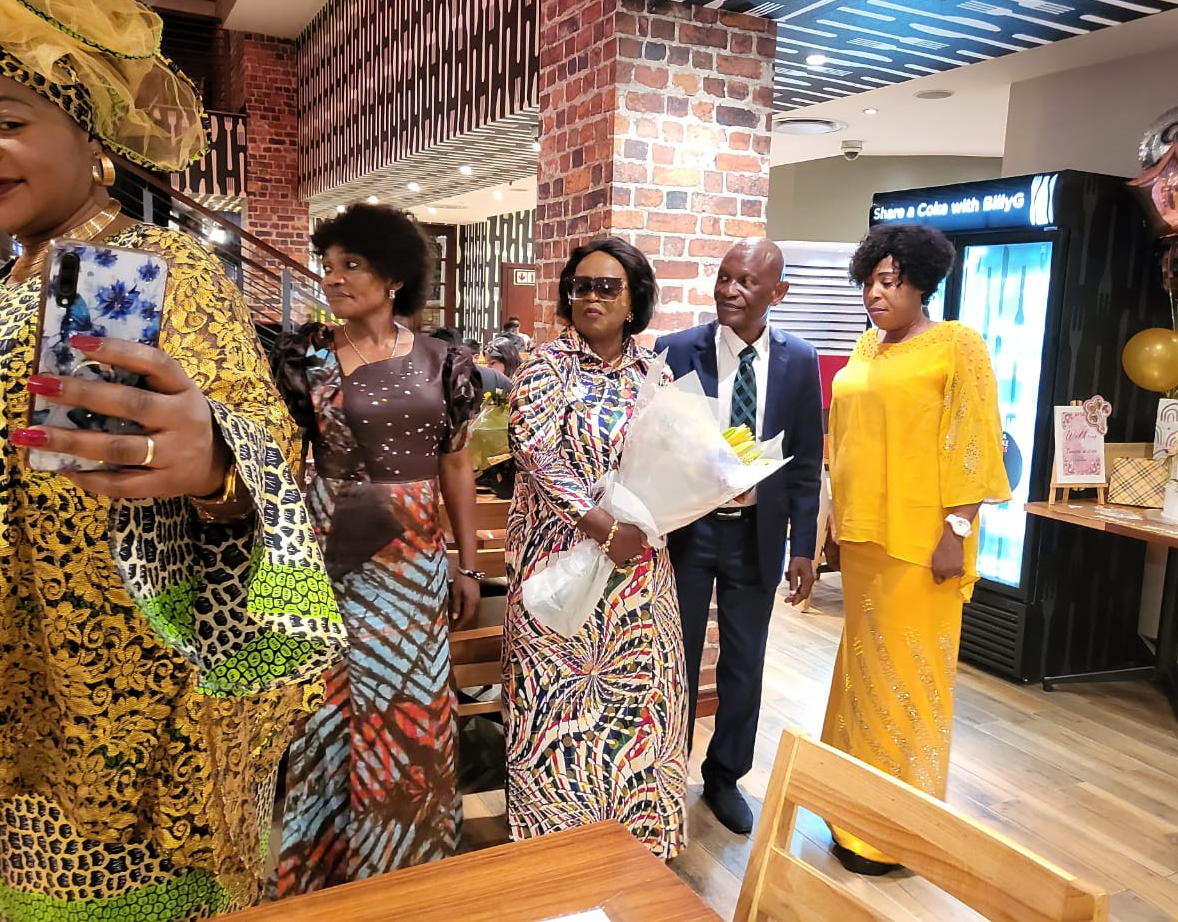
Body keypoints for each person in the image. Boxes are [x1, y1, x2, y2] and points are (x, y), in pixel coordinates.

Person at [0, 0, 344, 918]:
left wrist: (219, 464)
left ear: (89, 133)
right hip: (9, 694)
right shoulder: (2, 287)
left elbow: (266, 443)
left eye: (6, 120)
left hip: (129, 721)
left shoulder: (145, 266)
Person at [270, 203, 483, 892]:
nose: (333, 278)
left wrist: (467, 563)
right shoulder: (304, 358)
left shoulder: (445, 362)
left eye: (351, 265)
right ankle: (326, 875)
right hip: (328, 553)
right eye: (328, 265)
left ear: (394, 278)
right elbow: (282, 459)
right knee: (329, 710)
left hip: (414, 562)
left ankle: (405, 871)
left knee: (409, 704)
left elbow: (456, 463)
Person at [821, 223, 1011, 875]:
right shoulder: (865, 346)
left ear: (921, 284)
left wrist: (956, 532)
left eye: (890, 281)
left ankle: (894, 831)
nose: (875, 294)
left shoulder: (957, 345)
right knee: (861, 675)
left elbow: (975, 442)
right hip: (865, 538)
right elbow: (845, 437)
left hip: (921, 542)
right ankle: (849, 809)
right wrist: (833, 520)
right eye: (869, 282)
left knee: (907, 680)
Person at [504, 237, 686, 859]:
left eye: (607, 287)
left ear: (634, 300)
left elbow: (674, 455)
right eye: (580, 286)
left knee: (638, 699)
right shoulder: (543, 368)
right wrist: (603, 526)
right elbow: (538, 456)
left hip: (636, 573)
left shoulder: (654, 372)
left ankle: (636, 853)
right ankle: (556, 854)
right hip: (558, 565)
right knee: (556, 705)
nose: (591, 297)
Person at [656, 238, 823, 835]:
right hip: (689, 531)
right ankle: (663, 774)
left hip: (757, 534)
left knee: (745, 663)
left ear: (778, 292)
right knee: (673, 659)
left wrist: (803, 546)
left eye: (745, 282)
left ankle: (725, 776)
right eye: (724, 277)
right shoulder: (676, 351)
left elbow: (806, 460)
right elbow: (655, 444)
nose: (728, 290)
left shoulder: (799, 360)